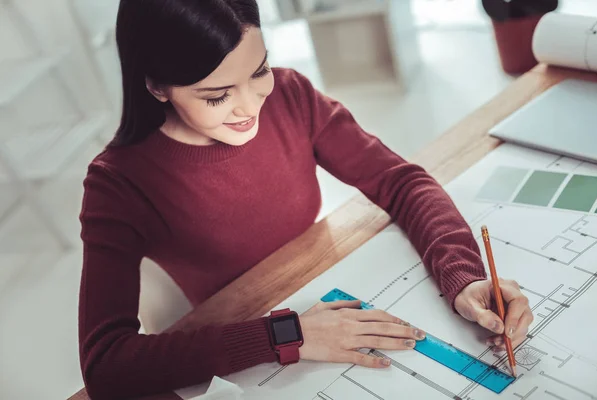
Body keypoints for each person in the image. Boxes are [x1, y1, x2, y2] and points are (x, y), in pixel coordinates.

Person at [77, 0, 534, 398]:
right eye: (217, 96)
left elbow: (401, 182)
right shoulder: (117, 184)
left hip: (317, 280)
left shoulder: (290, 95)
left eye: (259, 71)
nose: (250, 105)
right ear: (156, 86)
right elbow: (106, 366)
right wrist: (286, 333)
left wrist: (463, 277)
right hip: (247, 334)